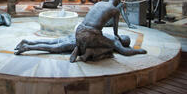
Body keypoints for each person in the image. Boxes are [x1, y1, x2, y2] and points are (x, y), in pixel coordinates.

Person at [69, 0, 146, 62]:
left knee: (95, 39)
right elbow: (118, 38)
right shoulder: (115, 10)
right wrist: (139, 51)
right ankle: (90, 52)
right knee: (110, 47)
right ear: (117, 2)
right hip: (90, 35)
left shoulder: (99, 3)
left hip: (79, 31)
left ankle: (79, 48)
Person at [14, 33, 146, 60]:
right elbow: (126, 52)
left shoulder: (110, 34)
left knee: (51, 42)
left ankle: (27, 42)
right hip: (79, 41)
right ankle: (27, 48)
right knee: (53, 48)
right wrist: (139, 51)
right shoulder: (115, 42)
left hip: (75, 35)